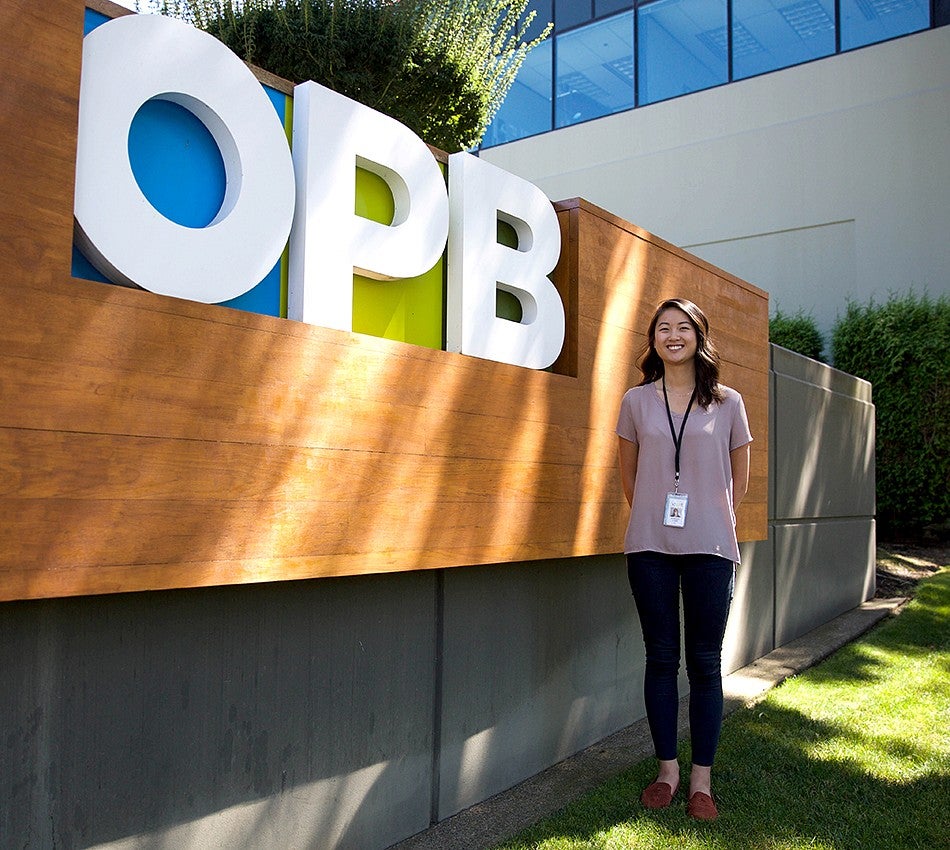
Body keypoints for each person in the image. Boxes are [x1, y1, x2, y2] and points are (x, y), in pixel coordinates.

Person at [615, 298, 752, 821]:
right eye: (663, 328)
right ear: (653, 340)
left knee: (705, 664)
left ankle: (702, 781)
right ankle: (667, 771)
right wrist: (655, 512)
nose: (673, 335)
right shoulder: (635, 401)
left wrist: (711, 518)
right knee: (660, 659)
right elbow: (629, 476)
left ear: (699, 336)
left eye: (683, 327)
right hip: (649, 546)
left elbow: (738, 481)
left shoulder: (729, 402)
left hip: (711, 549)